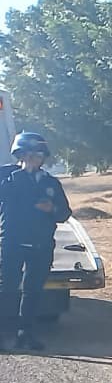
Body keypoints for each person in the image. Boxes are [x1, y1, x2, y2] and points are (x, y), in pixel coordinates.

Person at [0, 131, 73, 351]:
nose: (34, 158)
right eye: (29, 154)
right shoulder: (8, 180)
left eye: (39, 154)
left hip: (41, 245)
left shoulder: (51, 183)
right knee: (8, 289)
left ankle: (26, 334)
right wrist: (22, 173)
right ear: (20, 155)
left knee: (33, 291)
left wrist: (53, 209)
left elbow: (65, 213)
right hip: (12, 243)